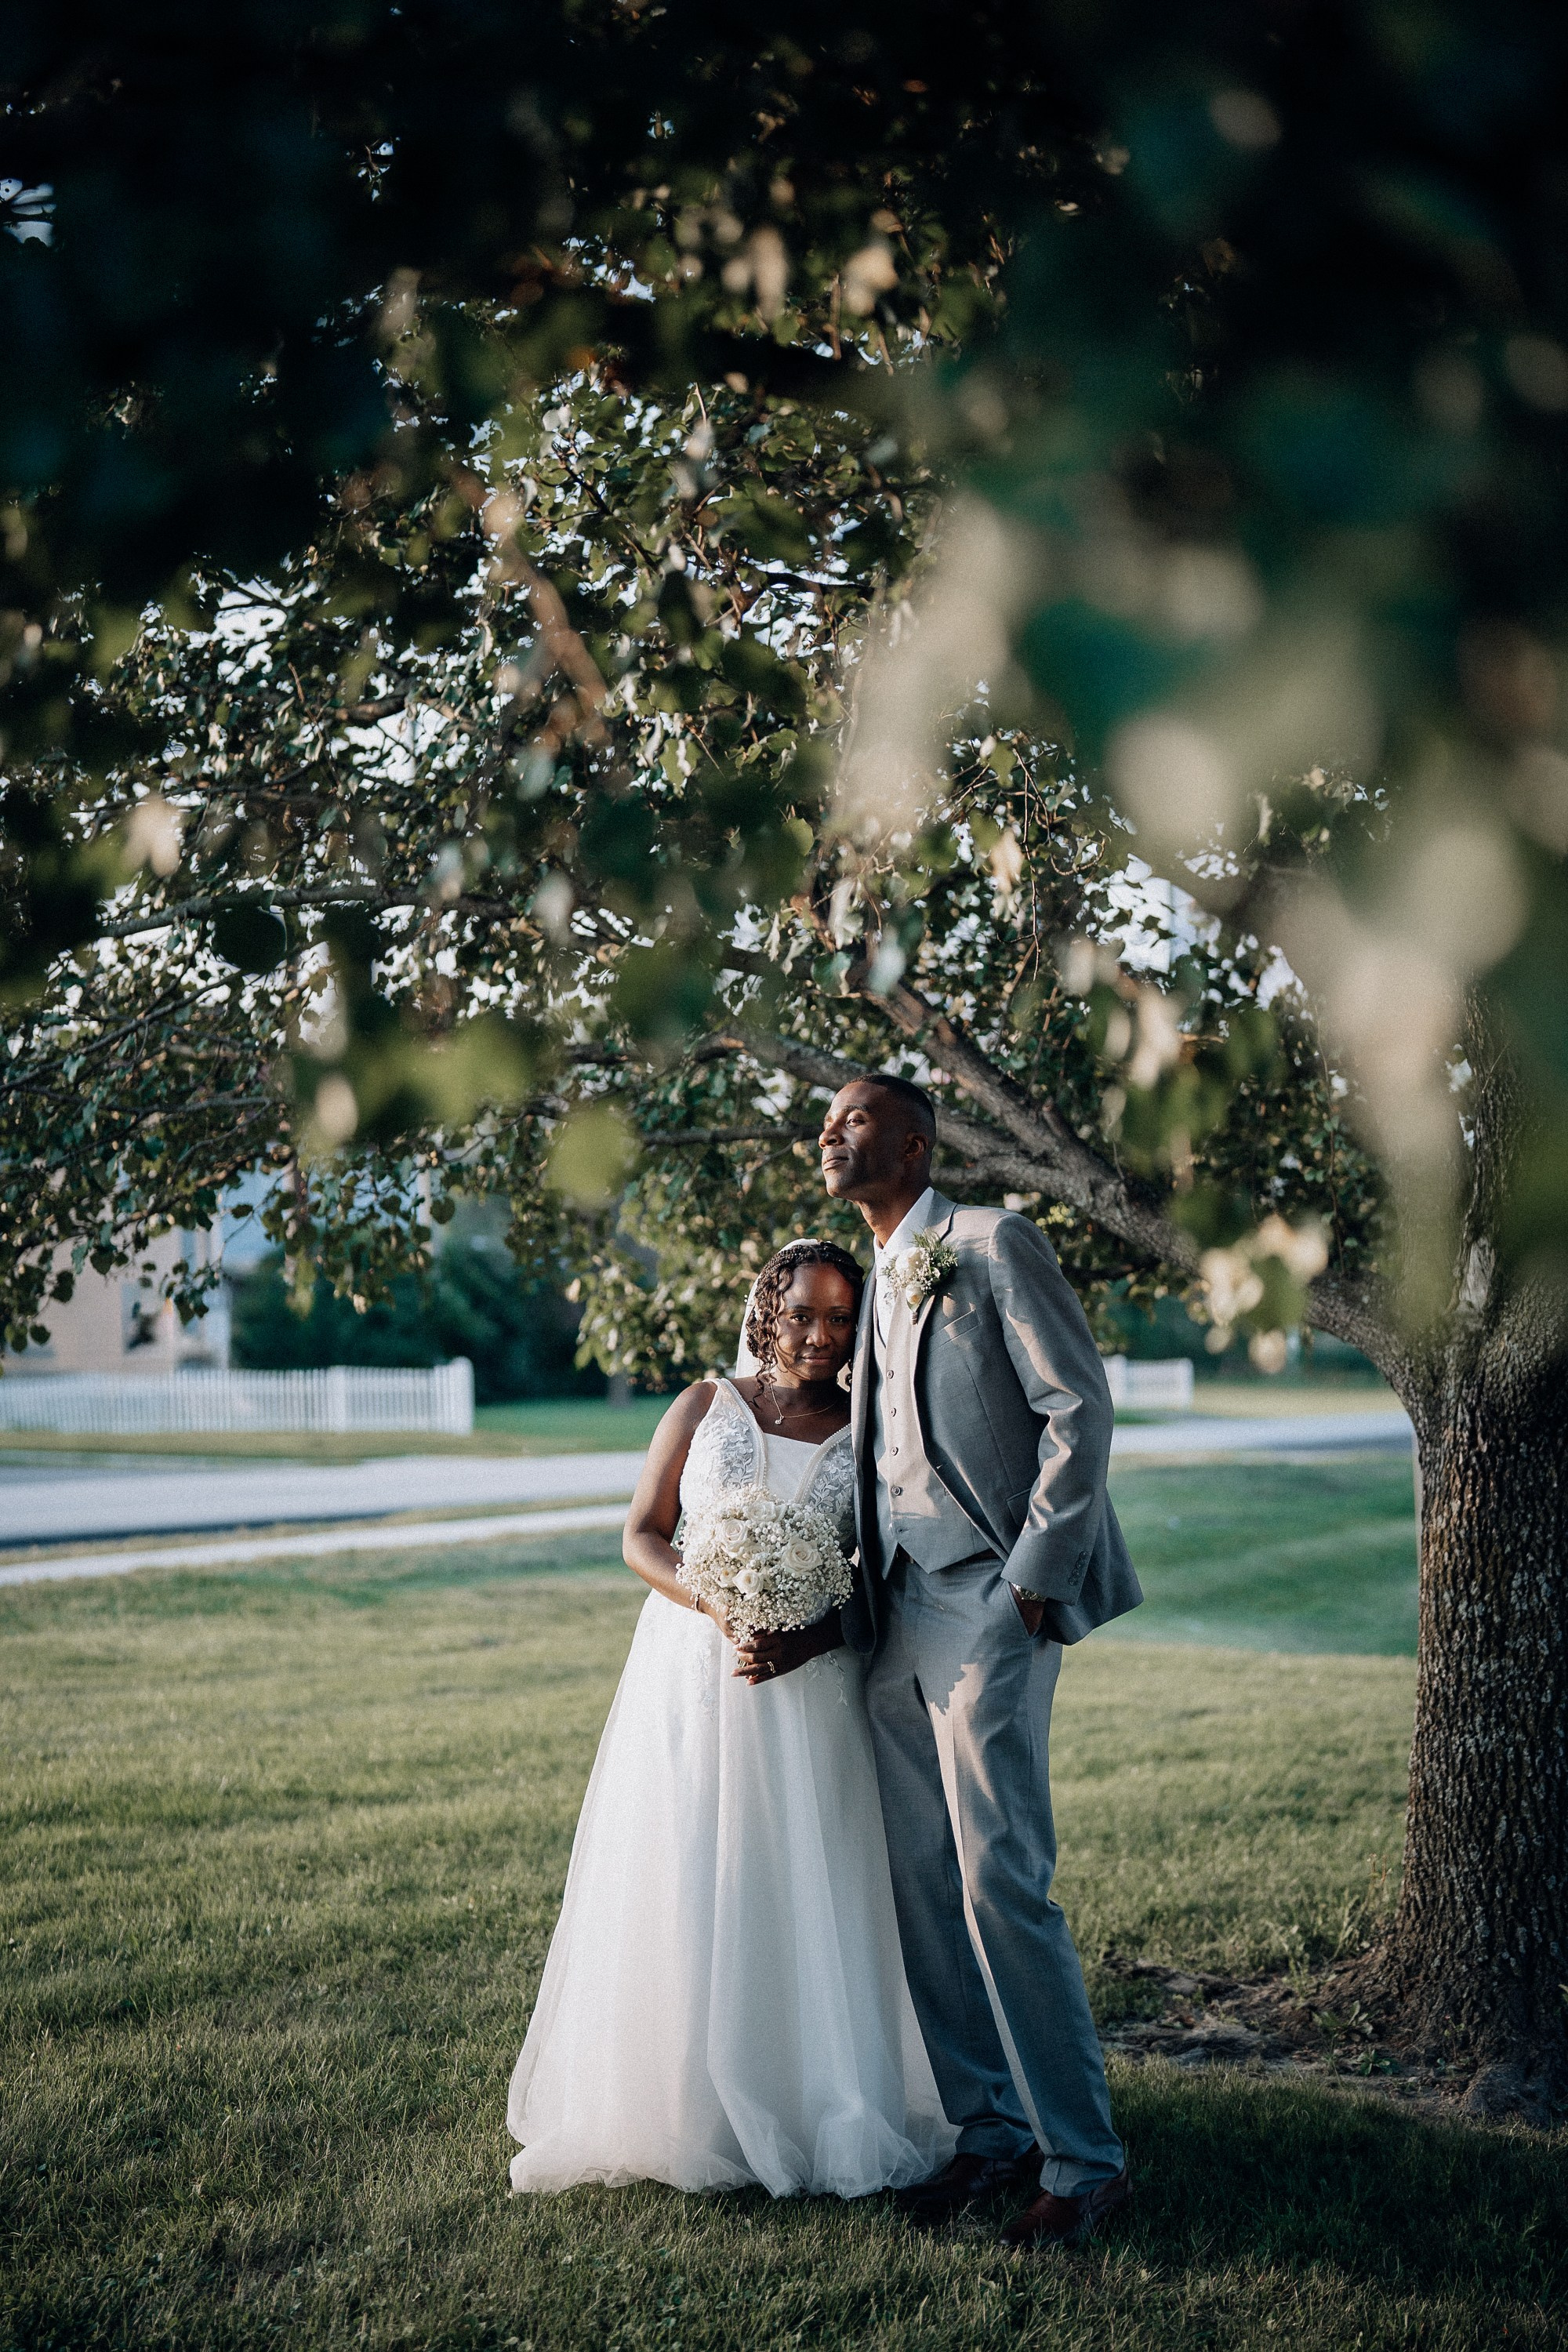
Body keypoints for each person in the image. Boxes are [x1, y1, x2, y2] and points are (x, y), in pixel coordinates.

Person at [506, 1240, 954, 2198]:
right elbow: (639, 1534)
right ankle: (678, 2104)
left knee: (800, 1876)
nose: (821, 1337)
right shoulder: (704, 1406)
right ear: (766, 1309)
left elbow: (883, 1575)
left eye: (841, 1319)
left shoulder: (869, 1432)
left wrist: (808, 1632)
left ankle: (813, 2099)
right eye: (802, 1314)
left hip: (808, 1691)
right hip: (688, 1674)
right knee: (686, 1862)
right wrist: (714, 1603)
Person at [819, 1073, 1143, 2251]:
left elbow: (1079, 1407)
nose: (830, 1132)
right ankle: (990, 2135)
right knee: (919, 1885)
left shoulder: (994, 1241)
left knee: (998, 1878)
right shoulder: (864, 1283)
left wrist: (1032, 1581)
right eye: (827, 1120)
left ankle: (1087, 2162)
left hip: (992, 1602)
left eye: (854, 1118)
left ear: (912, 1144)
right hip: (893, 1610)